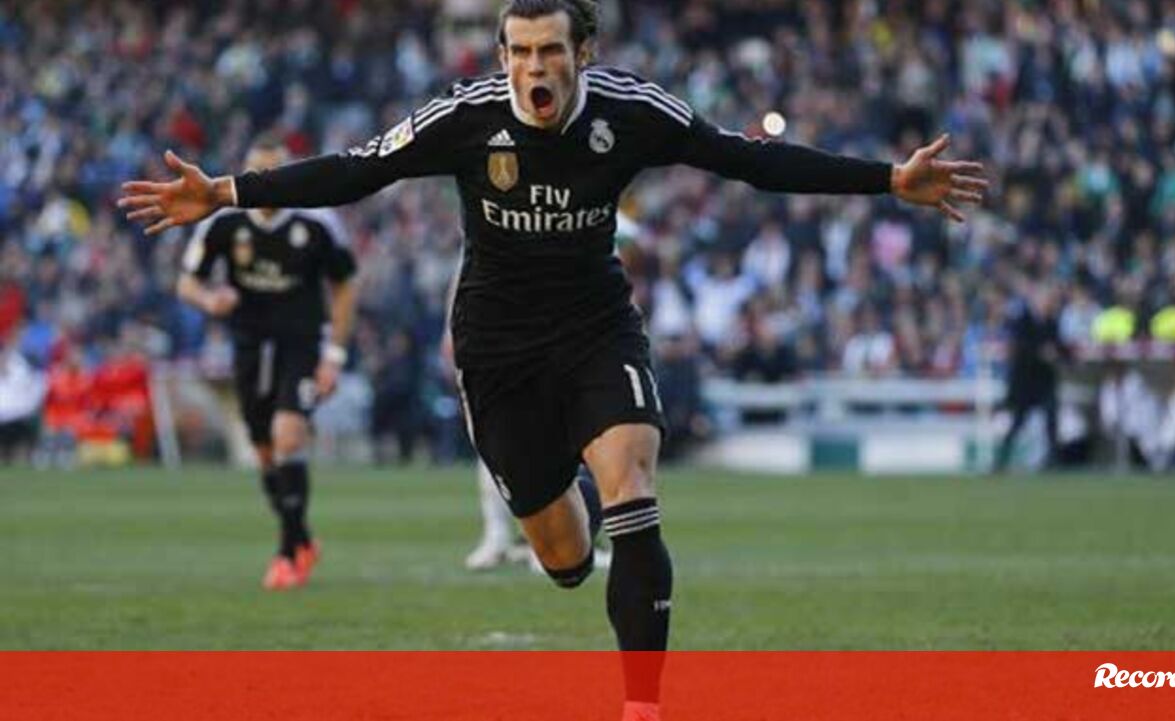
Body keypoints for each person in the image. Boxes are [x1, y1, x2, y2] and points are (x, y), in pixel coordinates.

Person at [119, 1, 986, 715]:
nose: (535, 67)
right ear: (502, 56)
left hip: (596, 328)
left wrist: (885, 179)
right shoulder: (465, 118)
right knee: (565, 561)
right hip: (497, 350)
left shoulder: (632, 112)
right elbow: (354, 170)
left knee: (634, 487)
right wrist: (226, 192)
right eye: (521, 51)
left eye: (551, 51)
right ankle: (570, 496)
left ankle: (642, 705)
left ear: (582, 54)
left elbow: (746, 160)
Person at [174, 134, 359, 591]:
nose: (266, 180)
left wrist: (334, 355)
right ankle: (303, 538)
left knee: (288, 435)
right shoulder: (223, 221)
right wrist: (209, 300)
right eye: (257, 172)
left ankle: (286, 554)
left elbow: (344, 286)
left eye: (274, 172)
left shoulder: (317, 221)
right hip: (249, 344)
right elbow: (187, 282)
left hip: (302, 343)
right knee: (263, 450)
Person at [996, 285, 1069, 471]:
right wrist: (1040, 353)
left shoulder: (1052, 323)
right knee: (1017, 423)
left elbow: (1061, 347)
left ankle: (1053, 461)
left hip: (1045, 381)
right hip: (1026, 382)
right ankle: (1000, 461)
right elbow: (1020, 348)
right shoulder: (1022, 322)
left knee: (1051, 421)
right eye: (1045, 300)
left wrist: (1058, 353)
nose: (1047, 304)